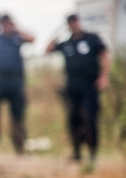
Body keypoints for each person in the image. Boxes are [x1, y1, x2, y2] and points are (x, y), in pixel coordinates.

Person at [46, 14, 110, 162]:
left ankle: (93, 153)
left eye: (75, 21)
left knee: (90, 118)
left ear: (79, 22)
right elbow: (48, 50)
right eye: (70, 23)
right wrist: (57, 32)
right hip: (72, 86)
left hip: (90, 85)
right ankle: (77, 152)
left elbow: (105, 54)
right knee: (73, 119)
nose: (73, 25)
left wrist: (104, 77)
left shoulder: (92, 38)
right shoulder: (67, 43)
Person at [0, 14, 34, 155]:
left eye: (8, 23)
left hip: (15, 82)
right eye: (4, 23)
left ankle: (20, 148)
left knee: (18, 117)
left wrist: (16, 29)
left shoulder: (17, 38)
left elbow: (32, 39)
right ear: (0, 24)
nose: (6, 25)